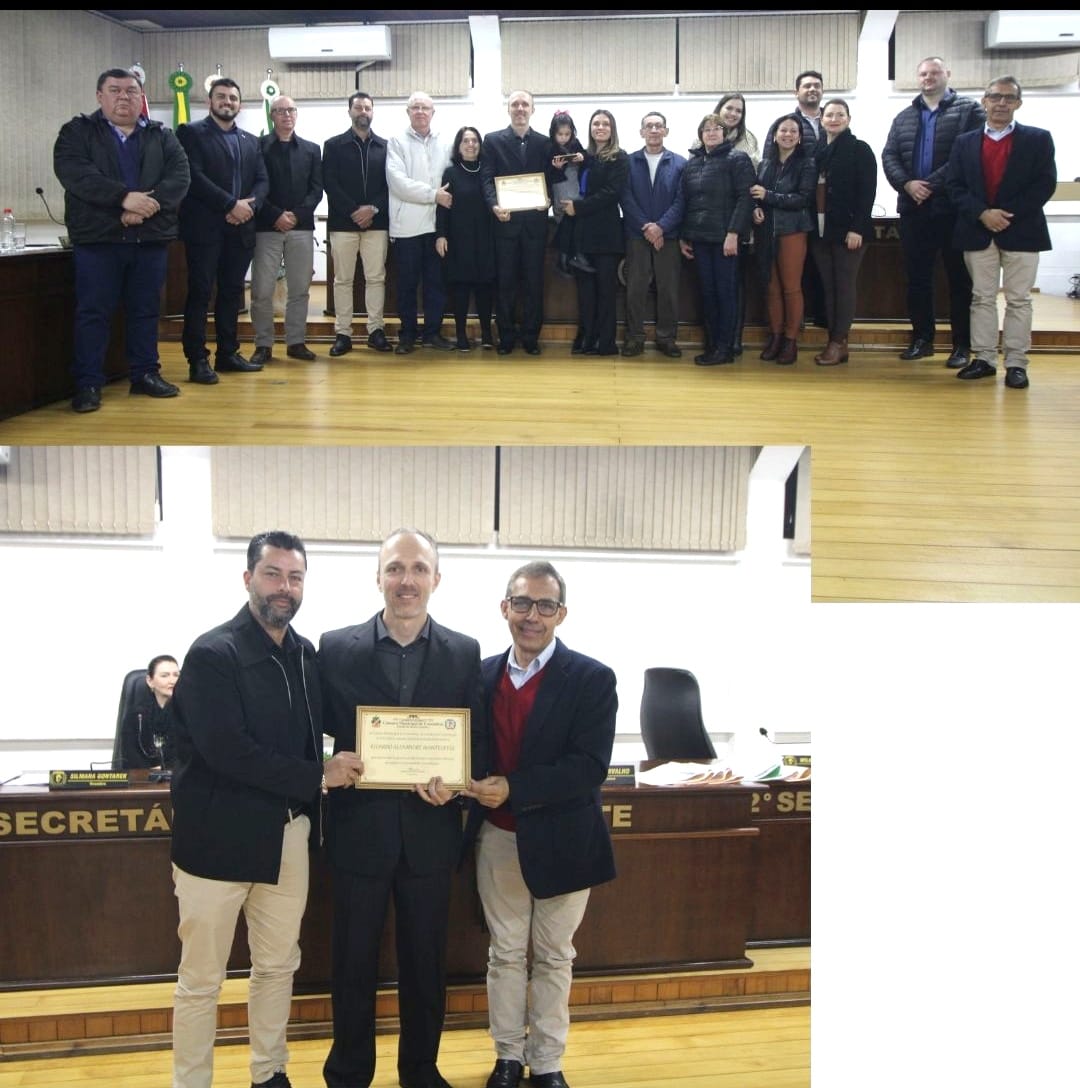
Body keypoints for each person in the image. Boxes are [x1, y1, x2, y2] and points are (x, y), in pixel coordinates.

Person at [170, 531, 363, 1088]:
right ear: (248, 578)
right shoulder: (213, 653)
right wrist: (316, 775)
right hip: (216, 844)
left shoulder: (305, 655)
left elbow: (337, 722)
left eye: (295, 577)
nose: (285, 587)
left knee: (278, 967)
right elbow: (226, 749)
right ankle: (191, 1081)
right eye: (274, 574)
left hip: (287, 838)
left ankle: (270, 1072)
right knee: (202, 980)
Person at [318, 529, 487, 1088]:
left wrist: (458, 785)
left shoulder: (464, 652)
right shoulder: (335, 646)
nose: (406, 580)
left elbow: (473, 742)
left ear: (436, 579)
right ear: (379, 578)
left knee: (423, 967)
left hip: (430, 835)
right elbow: (313, 733)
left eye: (418, 568)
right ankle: (348, 1072)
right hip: (356, 837)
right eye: (395, 568)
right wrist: (325, 766)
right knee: (352, 966)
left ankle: (420, 1070)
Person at [464, 561, 617, 1088]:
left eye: (545, 605)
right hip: (498, 837)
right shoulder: (479, 675)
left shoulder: (592, 679)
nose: (532, 616)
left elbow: (589, 765)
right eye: (522, 603)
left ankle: (547, 1061)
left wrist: (516, 787)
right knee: (505, 954)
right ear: (504, 608)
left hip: (564, 841)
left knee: (554, 957)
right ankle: (508, 1057)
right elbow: (465, 748)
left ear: (562, 614)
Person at [53, 67, 190, 413]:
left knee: (145, 312)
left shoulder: (162, 135)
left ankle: (145, 375)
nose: (123, 97)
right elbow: (76, 176)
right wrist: (123, 200)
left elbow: (180, 177)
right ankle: (88, 384)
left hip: (149, 239)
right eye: (115, 90)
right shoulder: (77, 132)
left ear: (140, 97)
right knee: (93, 314)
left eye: (131, 91)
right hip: (99, 241)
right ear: (100, 96)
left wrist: (146, 206)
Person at [946, 76, 1057, 390]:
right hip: (976, 229)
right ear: (984, 101)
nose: (1001, 103)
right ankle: (983, 359)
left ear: (1018, 103)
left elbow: (1044, 184)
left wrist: (1006, 215)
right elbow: (954, 185)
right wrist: (982, 213)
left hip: (1021, 230)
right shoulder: (964, 142)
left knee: (1019, 300)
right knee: (981, 298)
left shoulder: (1038, 139)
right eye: (995, 97)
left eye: (1009, 98)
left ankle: (1017, 364)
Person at [882, 56, 985, 367]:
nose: (928, 77)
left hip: (953, 209)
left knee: (959, 280)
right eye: (923, 73)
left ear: (947, 75)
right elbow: (889, 156)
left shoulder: (970, 110)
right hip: (914, 209)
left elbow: (968, 155)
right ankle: (922, 339)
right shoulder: (904, 117)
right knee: (918, 279)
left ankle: (961, 346)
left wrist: (929, 184)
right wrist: (908, 184)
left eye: (934, 72)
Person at [177, 78, 269, 384]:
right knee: (201, 293)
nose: (227, 102)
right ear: (210, 102)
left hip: (241, 228)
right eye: (221, 97)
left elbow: (262, 180)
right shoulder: (190, 133)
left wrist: (249, 208)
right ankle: (197, 359)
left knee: (231, 293)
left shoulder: (250, 140)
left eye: (233, 98)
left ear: (239, 104)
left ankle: (228, 353)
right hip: (205, 228)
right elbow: (194, 176)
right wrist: (230, 204)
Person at [250, 95, 323, 365]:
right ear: (272, 115)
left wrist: (295, 215)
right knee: (262, 289)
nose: (286, 115)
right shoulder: (257, 147)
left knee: (300, 289)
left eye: (291, 110)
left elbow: (317, 189)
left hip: (301, 227)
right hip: (266, 227)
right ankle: (263, 345)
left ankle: (296, 342)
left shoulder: (311, 149)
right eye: (280, 111)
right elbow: (254, 185)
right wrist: (275, 215)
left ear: (297, 114)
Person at [679, 113, 756, 366]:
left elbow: (746, 198)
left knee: (726, 293)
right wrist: (684, 236)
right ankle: (713, 345)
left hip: (726, 239)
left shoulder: (737, 158)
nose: (711, 133)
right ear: (701, 134)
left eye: (717, 129)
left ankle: (725, 347)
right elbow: (688, 203)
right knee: (708, 294)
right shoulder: (693, 163)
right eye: (707, 129)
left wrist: (733, 233)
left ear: (725, 133)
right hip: (700, 239)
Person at [481, 90, 552, 356]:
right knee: (506, 283)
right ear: (508, 109)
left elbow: (551, 180)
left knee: (534, 283)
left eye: (525, 104)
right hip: (505, 224)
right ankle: (507, 336)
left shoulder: (545, 143)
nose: (520, 108)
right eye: (515, 104)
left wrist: (549, 199)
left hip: (535, 224)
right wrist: (493, 205)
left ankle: (531, 337)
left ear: (532, 109)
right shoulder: (492, 141)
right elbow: (487, 179)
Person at [322, 92, 393, 357]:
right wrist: (354, 211)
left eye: (367, 107)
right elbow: (330, 182)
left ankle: (376, 331)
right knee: (343, 280)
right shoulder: (333, 145)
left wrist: (372, 208)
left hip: (377, 223)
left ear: (373, 112)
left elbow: (391, 184)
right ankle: (343, 334)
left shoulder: (386, 146)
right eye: (358, 107)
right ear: (349, 111)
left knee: (376, 278)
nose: (363, 111)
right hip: (343, 223)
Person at [810, 98, 877, 366]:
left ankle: (837, 342)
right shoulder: (816, 151)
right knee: (828, 288)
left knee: (844, 287)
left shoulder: (859, 150)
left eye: (840, 115)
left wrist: (857, 227)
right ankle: (838, 342)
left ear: (848, 119)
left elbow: (867, 192)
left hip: (849, 232)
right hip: (820, 232)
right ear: (822, 120)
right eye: (829, 115)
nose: (834, 119)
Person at [386, 91, 454, 355]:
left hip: (436, 228)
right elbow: (398, 183)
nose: (420, 112)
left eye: (425, 108)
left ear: (433, 113)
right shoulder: (396, 142)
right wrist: (433, 195)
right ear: (408, 112)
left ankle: (432, 334)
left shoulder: (445, 142)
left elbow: (450, 181)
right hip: (407, 228)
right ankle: (407, 336)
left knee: (435, 284)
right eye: (415, 107)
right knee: (406, 285)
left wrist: (440, 197)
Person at [560, 109, 628, 357]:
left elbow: (612, 193)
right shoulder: (585, 157)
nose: (600, 127)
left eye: (605, 124)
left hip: (607, 234)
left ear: (612, 129)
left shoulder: (620, 158)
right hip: (582, 233)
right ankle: (587, 339)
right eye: (596, 123)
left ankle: (606, 343)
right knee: (586, 293)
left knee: (606, 292)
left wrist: (578, 207)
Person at [750, 114, 816, 365]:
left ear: (799, 138)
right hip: (766, 231)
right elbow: (758, 196)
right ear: (774, 134)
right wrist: (756, 207)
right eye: (783, 130)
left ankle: (790, 340)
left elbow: (803, 199)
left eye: (793, 131)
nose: (787, 135)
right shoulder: (765, 164)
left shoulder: (807, 163)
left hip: (793, 230)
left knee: (791, 287)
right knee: (771, 287)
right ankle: (775, 336)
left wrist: (768, 196)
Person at [620, 111, 686, 358]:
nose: (654, 130)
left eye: (659, 126)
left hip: (667, 237)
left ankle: (666, 338)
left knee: (668, 289)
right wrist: (647, 227)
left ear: (666, 131)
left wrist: (661, 227)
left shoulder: (680, 163)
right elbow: (625, 197)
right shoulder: (628, 161)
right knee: (635, 289)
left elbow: (682, 200)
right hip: (637, 236)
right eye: (649, 126)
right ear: (641, 132)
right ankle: (635, 337)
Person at [436, 126, 497, 351]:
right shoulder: (450, 173)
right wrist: (441, 234)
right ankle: (461, 335)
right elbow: (442, 207)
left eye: (474, 141)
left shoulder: (488, 170)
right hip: (458, 238)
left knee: (484, 288)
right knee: (460, 290)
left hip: (485, 238)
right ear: (458, 146)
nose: (471, 145)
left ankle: (487, 335)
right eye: (466, 141)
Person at [545, 111, 589, 277]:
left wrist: (580, 156)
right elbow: (545, 173)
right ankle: (569, 257)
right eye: (560, 134)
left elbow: (586, 156)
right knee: (567, 216)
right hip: (560, 186)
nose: (563, 138)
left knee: (574, 217)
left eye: (567, 134)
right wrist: (555, 168)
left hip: (575, 185)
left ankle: (566, 258)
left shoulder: (575, 143)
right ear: (553, 133)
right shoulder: (549, 147)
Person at [118, 654, 180, 770]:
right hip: (142, 780)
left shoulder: (188, 713)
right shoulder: (136, 715)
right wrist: (149, 771)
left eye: (176, 675)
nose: (172, 681)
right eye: (164, 676)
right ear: (150, 681)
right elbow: (130, 754)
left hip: (178, 779)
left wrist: (166, 768)